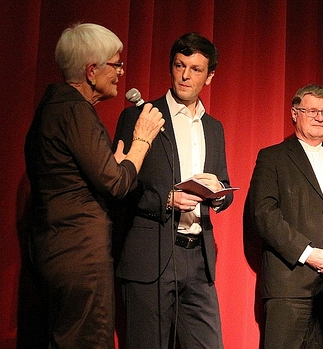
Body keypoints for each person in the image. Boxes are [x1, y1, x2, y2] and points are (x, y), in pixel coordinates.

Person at [23, 23, 164, 348]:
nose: (120, 72)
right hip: (79, 255)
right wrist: (141, 140)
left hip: (56, 249)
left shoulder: (51, 109)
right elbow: (116, 184)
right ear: (91, 70)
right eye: (115, 64)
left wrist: (115, 163)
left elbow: (81, 178)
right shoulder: (75, 111)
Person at [112, 32, 233, 349]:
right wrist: (167, 199)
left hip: (198, 258)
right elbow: (119, 184)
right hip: (152, 253)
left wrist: (219, 192)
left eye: (195, 69)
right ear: (170, 67)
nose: (185, 75)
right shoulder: (141, 116)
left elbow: (224, 185)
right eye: (180, 65)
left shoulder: (213, 127)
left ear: (209, 76)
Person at [247, 84, 323, 349]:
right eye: (312, 110)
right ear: (294, 113)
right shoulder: (273, 158)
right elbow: (264, 214)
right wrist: (307, 253)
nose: (319, 117)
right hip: (290, 285)